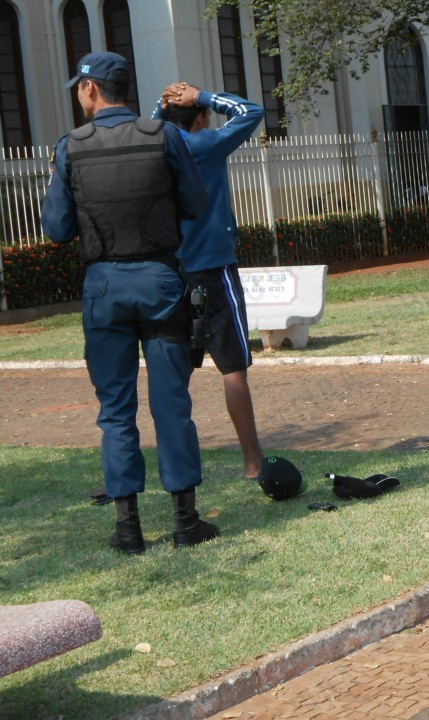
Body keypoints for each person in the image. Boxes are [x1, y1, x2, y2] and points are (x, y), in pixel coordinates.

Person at [41, 51, 220, 553]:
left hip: (104, 290)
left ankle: (129, 530)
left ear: (91, 89)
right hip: (160, 283)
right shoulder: (163, 136)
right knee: (172, 404)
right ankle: (186, 522)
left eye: (80, 87)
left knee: (116, 411)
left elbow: (56, 228)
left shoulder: (70, 148)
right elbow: (195, 203)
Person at [152, 82, 267, 480]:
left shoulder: (158, 147)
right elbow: (251, 112)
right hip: (215, 268)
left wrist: (162, 106)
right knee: (232, 368)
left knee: (174, 374)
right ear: (201, 118)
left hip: (172, 271)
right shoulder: (206, 145)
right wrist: (202, 96)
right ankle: (253, 461)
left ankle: (174, 465)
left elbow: (146, 130)